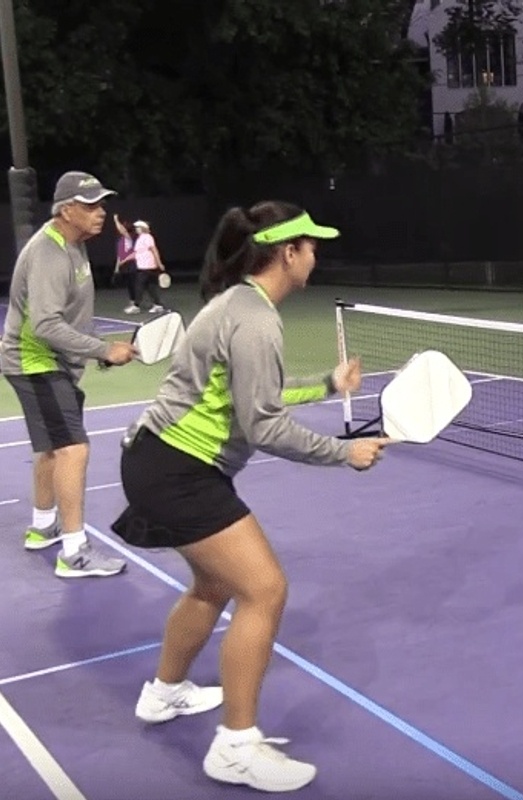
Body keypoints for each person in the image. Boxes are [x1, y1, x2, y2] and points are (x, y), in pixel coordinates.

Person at [111, 201, 390, 792]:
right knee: (264, 589)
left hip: (158, 460)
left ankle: (163, 694)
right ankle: (236, 747)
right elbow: (263, 426)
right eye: (311, 246)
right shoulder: (256, 317)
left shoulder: (239, 304)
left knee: (214, 584)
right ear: (287, 253)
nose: (316, 255)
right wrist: (345, 453)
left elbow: (251, 398)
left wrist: (325, 385)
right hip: (179, 469)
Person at [0, 171, 136, 577]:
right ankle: (74, 552)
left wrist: (94, 351)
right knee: (74, 449)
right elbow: (45, 324)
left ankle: (44, 528)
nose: (101, 212)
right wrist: (102, 347)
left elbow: (73, 317)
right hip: (36, 362)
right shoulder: (49, 252)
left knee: (52, 447)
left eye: (101, 203)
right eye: (91, 205)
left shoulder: (75, 246)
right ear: (66, 210)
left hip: (51, 362)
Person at [129, 218, 168, 313]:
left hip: (147, 267)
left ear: (143, 228)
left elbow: (154, 251)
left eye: (138, 227)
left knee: (139, 285)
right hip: (143, 267)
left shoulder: (147, 237)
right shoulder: (140, 239)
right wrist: (124, 260)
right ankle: (158, 305)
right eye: (136, 227)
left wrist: (159, 264)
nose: (136, 229)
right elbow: (137, 253)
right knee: (151, 287)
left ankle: (136, 306)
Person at [113, 213, 138, 311]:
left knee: (134, 284)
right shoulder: (120, 241)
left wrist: (115, 220)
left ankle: (135, 303)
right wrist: (117, 268)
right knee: (129, 284)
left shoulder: (130, 238)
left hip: (131, 264)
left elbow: (122, 230)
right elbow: (119, 255)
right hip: (124, 265)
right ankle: (133, 301)